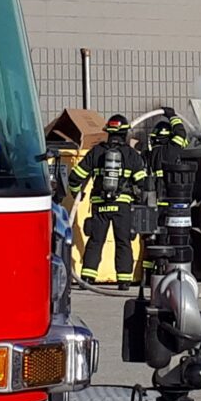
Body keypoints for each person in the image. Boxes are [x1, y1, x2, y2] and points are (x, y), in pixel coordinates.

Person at [67, 114, 148, 290]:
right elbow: (142, 183)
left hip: (99, 204)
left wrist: (76, 195)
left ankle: (87, 278)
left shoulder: (96, 152)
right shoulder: (131, 155)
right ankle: (124, 281)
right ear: (125, 133)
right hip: (122, 205)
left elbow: (75, 177)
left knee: (96, 241)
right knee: (123, 242)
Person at [139, 107, 189, 274]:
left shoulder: (147, 154)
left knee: (151, 239)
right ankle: (167, 270)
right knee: (169, 236)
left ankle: (148, 275)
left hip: (151, 201)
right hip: (170, 201)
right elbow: (181, 134)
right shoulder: (170, 150)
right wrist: (173, 116)